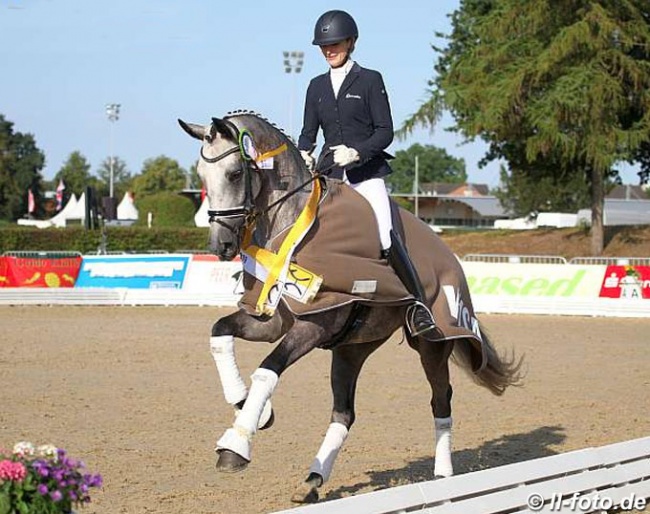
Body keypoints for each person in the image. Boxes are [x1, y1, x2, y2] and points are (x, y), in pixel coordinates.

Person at [297, 9, 436, 337]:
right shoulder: (315, 86)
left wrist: (357, 152)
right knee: (301, 228)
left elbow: (385, 131)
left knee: (385, 232)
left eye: (335, 43)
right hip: (328, 174)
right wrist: (303, 151)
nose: (329, 49)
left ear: (351, 42)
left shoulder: (370, 79)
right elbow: (308, 132)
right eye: (324, 45)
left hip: (366, 173)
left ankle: (418, 307)